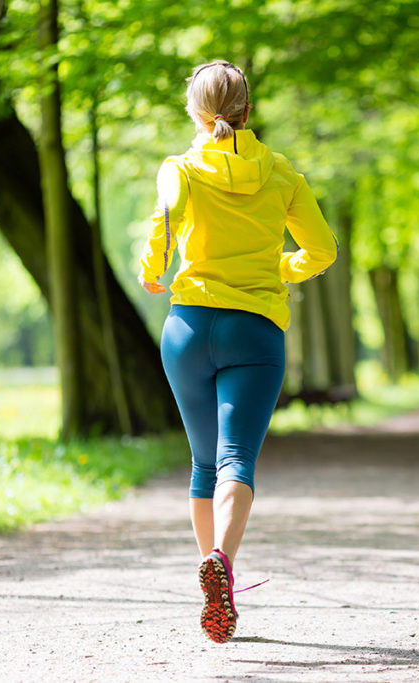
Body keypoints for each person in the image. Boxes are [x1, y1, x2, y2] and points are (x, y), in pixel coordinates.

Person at [137, 60, 337, 643]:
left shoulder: (180, 169)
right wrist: (278, 268)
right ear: (248, 111)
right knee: (235, 461)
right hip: (255, 330)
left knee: (203, 463)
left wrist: (153, 272)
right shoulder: (281, 173)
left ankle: (213, 572)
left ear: (194, 113)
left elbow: (162, 227)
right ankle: (221, 562)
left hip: (189, 328)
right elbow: (322, 251)